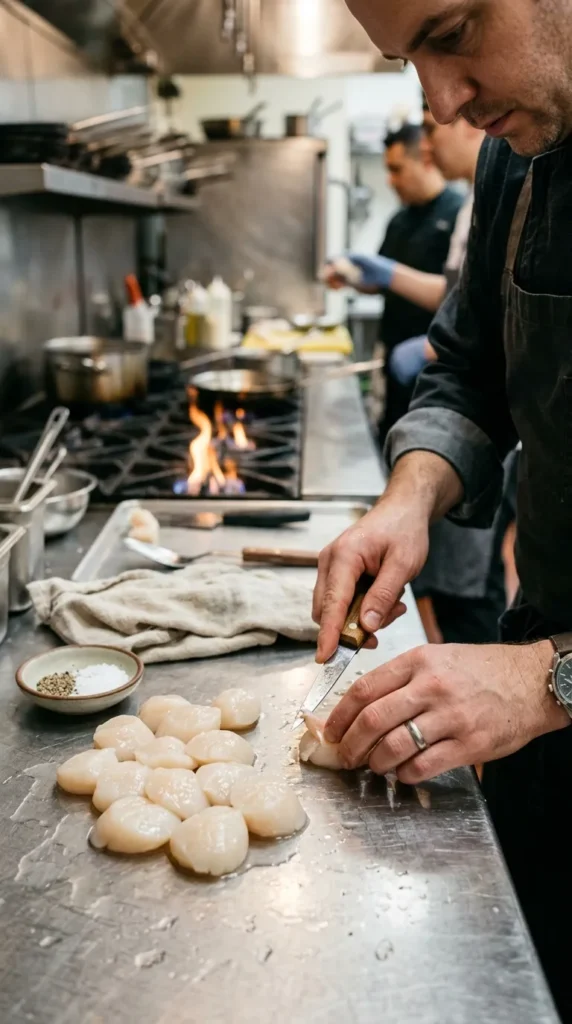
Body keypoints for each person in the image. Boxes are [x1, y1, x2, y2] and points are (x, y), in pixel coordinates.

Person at [313, 1, 572, 1018]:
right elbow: (468, 374)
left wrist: (551, 679)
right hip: (531, 698)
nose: (440, 98)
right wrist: (408, 494)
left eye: (454, 30)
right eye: (407, 59)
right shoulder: (514, 159)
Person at [326, 122, 463, 442]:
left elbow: (460, 294)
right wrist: (350, 278)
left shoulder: (457, 213)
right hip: (395, 360)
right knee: (393, 438)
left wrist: (388, 272)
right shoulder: (399, 219)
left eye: (397, 169)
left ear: (425, 161)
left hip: (435, 367)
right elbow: (381, 283)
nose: (390, 180)